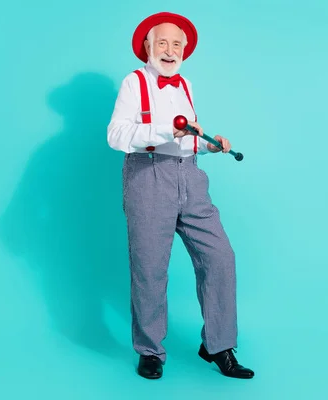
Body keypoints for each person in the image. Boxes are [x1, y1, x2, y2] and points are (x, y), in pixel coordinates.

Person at [106, 12, 254, 380]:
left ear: (185, 49)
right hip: (147, 176)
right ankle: (150, 351)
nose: (169, 50)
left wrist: (208, 146)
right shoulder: (133, 82)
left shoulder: (186, 85)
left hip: (190, 178)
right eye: (162, 43)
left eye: (176, 44)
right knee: (149, 269)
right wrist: (163, 132)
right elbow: (116, 135)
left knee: (220, 257)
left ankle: (218, 345)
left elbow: (185, 139)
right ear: (147, 47)